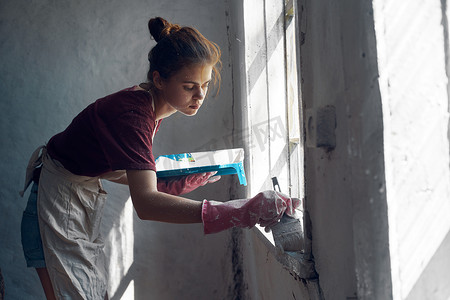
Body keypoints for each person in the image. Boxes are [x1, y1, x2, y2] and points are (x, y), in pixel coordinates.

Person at [20, 17, 300, 299]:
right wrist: (239, 211)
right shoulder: (134, 115)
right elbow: (147, 206)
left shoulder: (150, 107)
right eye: (189, 86)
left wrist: (166, 184)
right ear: (159, 79)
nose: (200, 95)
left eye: (204, 84)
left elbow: (106, 168)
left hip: (73, 196)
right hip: (55, 205)